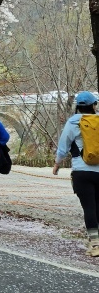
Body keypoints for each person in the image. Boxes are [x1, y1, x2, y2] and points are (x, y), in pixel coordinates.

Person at [53, 91, 99, 256]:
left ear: (78, 106)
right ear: (94, 105)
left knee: (89, 207)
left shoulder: (73, 122)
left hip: (81, 170)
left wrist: (57, 164)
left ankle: (95, 244)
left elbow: (63, 145)